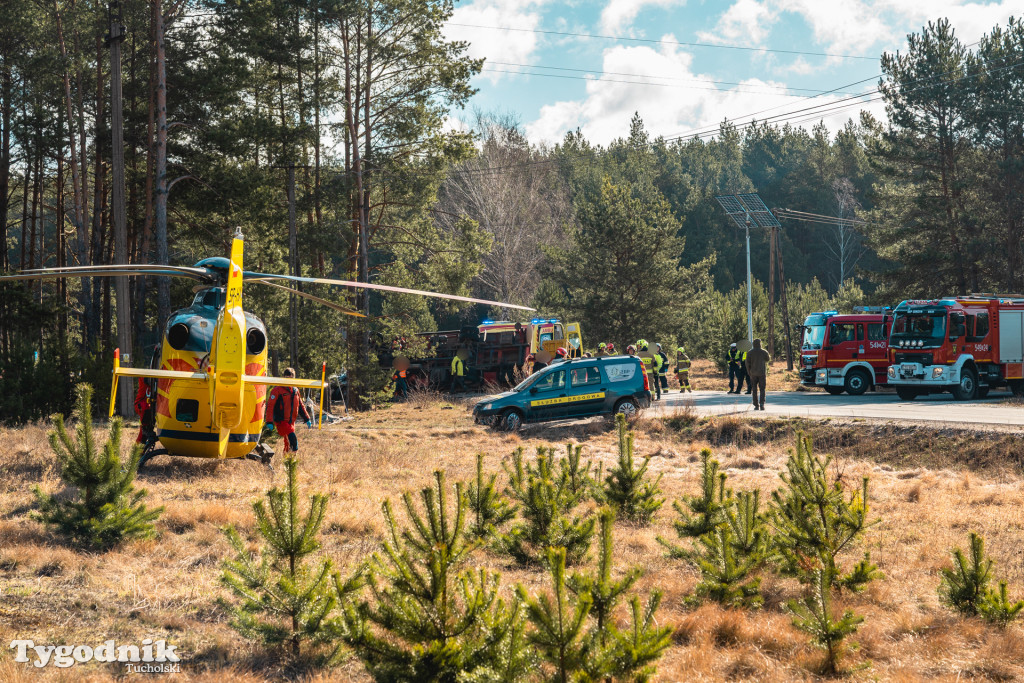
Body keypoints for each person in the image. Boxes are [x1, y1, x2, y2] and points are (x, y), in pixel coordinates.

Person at [265, 368, 313, 453]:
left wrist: (307, 418)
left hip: (291, 422)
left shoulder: (295, 390)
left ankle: (288, 462)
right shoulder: (277, 390)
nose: (288, 381)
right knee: (293, 441)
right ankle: (291, 459)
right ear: (284, 378)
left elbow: (300, 406)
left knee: (288, 444)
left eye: (290, 379)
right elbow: (270, 406)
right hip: (281, 421)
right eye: (287, 378)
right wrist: (269, 421)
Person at [744, 338, 771, 410]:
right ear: (760, 344)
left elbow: (747, 363)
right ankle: (762, 404)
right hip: (762, 373)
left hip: (753, 373)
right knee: (762, 389)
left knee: (754, 389)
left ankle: (756, 405)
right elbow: (768, 359)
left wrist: (749, 372)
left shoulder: (750, 352)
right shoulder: (764, 352)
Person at [134, 378, 156, 444]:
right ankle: (138, 450)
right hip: (141, 405)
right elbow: (148, 380)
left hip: (147, 406)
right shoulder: (145, 378)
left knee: (149, 427)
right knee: (144, 430)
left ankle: (141, 448)